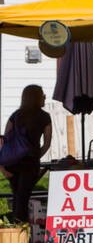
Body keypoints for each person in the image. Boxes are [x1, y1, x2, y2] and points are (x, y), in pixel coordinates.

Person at [1, 85, 52, 223]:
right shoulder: (45, 117)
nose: (44, 97)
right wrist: (36, 155)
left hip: (12, 163)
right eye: (42, 94)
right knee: (24, 196)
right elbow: (47, 143)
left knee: (18, 195)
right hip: (30, 163)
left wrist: (3, 167)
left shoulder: (16, 115)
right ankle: (20, 227)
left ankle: (15, 227)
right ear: (36, 98)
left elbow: (5, 141)